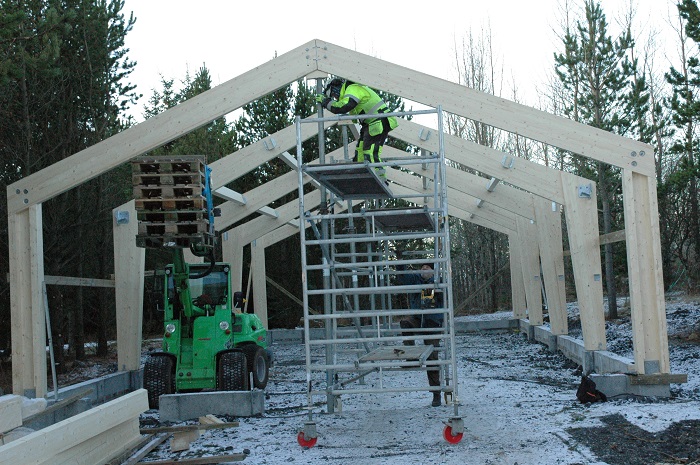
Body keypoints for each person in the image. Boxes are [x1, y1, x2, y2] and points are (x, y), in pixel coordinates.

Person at [315, 78, 398, 182]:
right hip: (371, 123)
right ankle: (360, 176)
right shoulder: (351, 90)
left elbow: (344, 106)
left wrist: (325, 102)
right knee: (360, 152)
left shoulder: (352, 88)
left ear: (335, 89)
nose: (335, 98)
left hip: (377, 121)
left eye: (334, 95)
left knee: (370, 152)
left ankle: (380, 178)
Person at [395, 252, 444, 407]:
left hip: (432, 321)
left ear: (433, 271)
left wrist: (434, 287)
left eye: (427, 267)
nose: (424, 269)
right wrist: (400, 262)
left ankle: (436, 393)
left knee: (432, 355)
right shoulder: (416, 279)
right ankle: (411, 357)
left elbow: (444, 296)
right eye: (422, 267)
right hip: (417, 318)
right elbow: (403, 277)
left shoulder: (438, 281)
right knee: (405, 323)